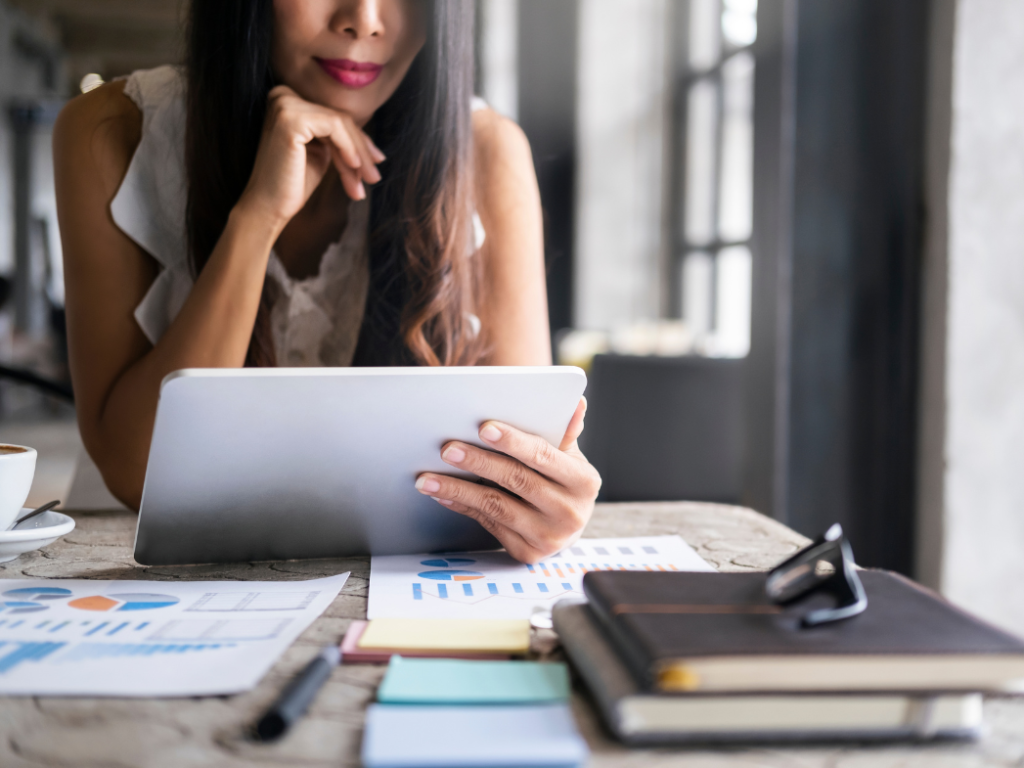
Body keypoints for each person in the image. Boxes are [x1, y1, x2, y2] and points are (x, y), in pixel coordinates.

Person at [53, 0, 600, 563]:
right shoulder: (112, 132)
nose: (364, 18)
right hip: (137, 570)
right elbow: (136, 475)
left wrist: (544, 504)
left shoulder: (487, 151)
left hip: (391, 579)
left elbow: (519, 468)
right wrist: (257, 218)